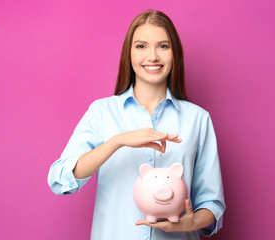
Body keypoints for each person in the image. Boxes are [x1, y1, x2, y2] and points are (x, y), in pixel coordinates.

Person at [48, 9, 225, 240]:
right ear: (129, 54)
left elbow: (212, 202)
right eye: (141, 46)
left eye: (163, 46)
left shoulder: (198, 119)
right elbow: (60, 179)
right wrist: (117, 141)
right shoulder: (102, 112)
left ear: (175, 54)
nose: (152, 57)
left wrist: (190, 222)